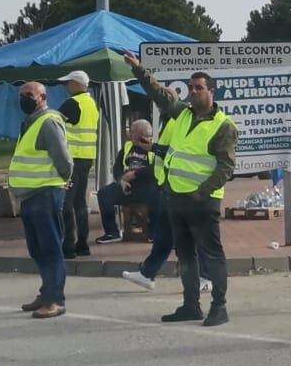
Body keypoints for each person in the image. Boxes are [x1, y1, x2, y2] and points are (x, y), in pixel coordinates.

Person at [121, 50, 236, 328]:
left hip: (202, 202)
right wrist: (139, 69)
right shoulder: (182, 113)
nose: (193, 92)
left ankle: (219, 307)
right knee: (185, 255)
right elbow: (160, 93)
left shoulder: (223, 126)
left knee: (212, 254)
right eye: (191, 87)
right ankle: (190, 305)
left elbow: (226, 167)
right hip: (177, 199)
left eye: (199, 88)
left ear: (211, 91)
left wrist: (202, 191)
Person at [121, 98, 213, 292]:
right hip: (167, 186)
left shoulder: (181, 122)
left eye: (166, 100)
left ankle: (206, 276)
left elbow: (176, 153)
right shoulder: (169, 122)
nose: (161, 105)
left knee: (194, 234)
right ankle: (147, 273)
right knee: (163, 234)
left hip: (183, 188)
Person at [9, 80, 73, 320]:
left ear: (43, 97)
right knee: (37, 249)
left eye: (30, 94)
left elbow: (64, 160)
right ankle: (46, 292)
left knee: (50, 248)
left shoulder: (48, 122)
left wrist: (64, 180)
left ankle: (55, 300)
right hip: (31, 194)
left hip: (46, 193)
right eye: (22, 95)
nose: (24, 98)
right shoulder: (30, 123)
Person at [57, 69, 100, 258]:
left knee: (66, 203)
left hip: (71, 159)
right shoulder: (91, 104)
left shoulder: (72, 103)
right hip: (87, 158)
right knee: (80, 202)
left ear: (77, 84)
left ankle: (68, 245)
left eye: (68, 82)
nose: (66, 86)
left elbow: (54, 123)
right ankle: (83, 244)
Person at [94, 119, 155, 243]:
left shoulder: (154, 149)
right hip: (126, 186)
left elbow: (155, 171)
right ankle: (112, 233)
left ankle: (153, 232)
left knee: (158, 195)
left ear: (139, 135)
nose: (129, 134)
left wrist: (135, 174)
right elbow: (117, 167)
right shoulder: (127, 147)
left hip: (145, 187)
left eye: (132, 132)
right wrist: (121, 180)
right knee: (104, 193)